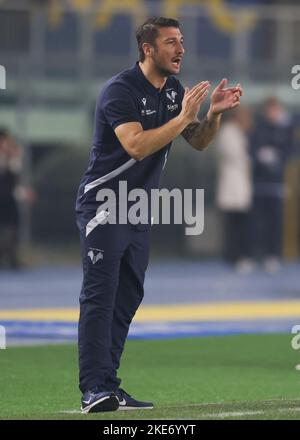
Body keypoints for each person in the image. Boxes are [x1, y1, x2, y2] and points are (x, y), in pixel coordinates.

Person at [75, 16, 242, 413]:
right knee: (101, 296)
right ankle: (92, 389)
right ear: (148, 49)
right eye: (171, 42)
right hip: (105, 204)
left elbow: (198, 141)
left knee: (128, 295)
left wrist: (213, 114)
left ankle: (109, 385)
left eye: (181, 41)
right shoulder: (120, 90)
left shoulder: (173, 91)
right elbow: (135, 146)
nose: (180, 49)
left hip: (136, 210)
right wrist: (183, 117)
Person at [251, 97, 294, 272]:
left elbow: (291, 150)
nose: (273, 113)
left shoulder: (285, 129)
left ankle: (273, 256)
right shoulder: (259, 128)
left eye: (276, 110)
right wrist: (260, 156)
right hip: (259, 184)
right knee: (257, 223)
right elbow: (252, 148)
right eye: (270, 110)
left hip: (277, 185)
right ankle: (257, 255)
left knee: (275, 224)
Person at [215, 107, 254, 273]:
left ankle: (238, 256)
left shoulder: (238, 133)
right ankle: (234, 257)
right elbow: (237, 157)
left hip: (240, 187)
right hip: (232, 187)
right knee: (233, 227)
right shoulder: (228, 132)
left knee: (241, 225)